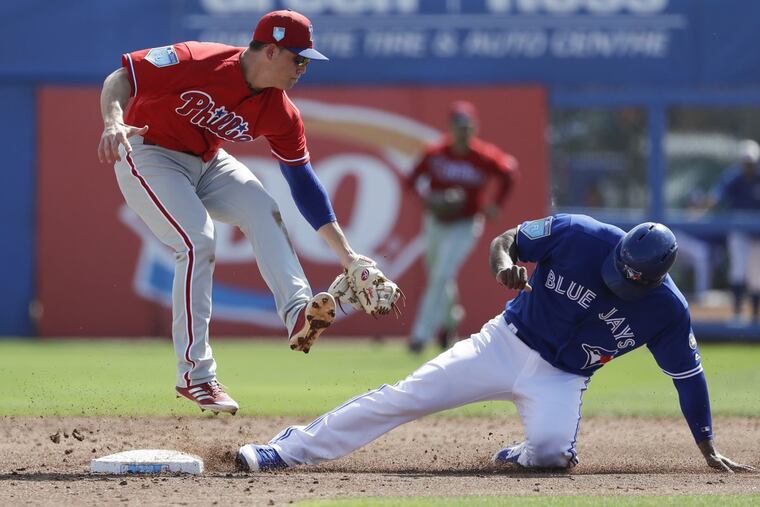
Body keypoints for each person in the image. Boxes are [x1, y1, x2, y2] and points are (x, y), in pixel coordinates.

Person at [236, 214, 754, 473]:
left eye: (630, 278)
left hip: (562, 376)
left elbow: (688, 377)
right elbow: (504, 240)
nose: (617, 276)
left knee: (552, 455)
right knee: (406, 396)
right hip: (503, 342)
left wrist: (707, 446)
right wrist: (505, 266)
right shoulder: (577, 234)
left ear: (656, 278)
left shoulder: (668, 311)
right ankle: (288, 448)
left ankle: (524, 454)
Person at [97, 10, 381, 415]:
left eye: (307, 61)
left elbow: (303, 184)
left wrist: (347, 255)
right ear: (270, 51)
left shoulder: (281, 112)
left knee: (263, 208)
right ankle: (196, 375)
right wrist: (113, 121)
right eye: (298, 59)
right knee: (198, 241)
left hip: (208, 162)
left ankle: (298, 312)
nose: (303, 68)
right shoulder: (198, 59)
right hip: (148, 152)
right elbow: (120, 78)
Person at [406, 101, 518, 353]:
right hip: (436, 222)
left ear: (474, 128)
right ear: (451, 128)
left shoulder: (482, 156)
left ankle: (420, 336)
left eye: (467, 127)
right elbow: (411, 179)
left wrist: (496, 204)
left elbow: (509, 172)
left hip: (466, 223)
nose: (463, 132)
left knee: (441, 274)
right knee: (438, 273)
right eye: (459, 127)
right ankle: (451, 319)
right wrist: (428, 200)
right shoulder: (436, 153)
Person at [708, 139, 760, 323]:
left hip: (757, 234)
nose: (749, 166)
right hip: (739, 231)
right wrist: (707, 205)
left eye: (751, 163)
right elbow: (717, 194)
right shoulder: (734, 177)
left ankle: (754, 317)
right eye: (746, 162)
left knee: (756, 276)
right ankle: (737, 314)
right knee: (738, 271)